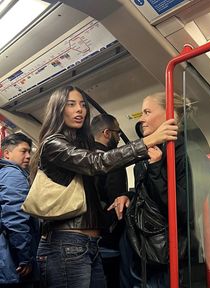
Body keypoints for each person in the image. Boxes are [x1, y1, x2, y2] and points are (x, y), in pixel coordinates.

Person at [29, 85, 178, 288]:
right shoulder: (53, 144)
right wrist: (148, 142)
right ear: (58, 109)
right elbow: (96, 163)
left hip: (87, 245)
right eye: (71, 104)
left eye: (82, 105)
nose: (79, 110)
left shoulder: (81, 145)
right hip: (65, 244)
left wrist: (127, 195)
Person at [110, 92, 196, 287]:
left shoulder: (184, 151)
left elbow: (184, 208)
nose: (141, 119)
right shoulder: (153, 149)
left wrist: (156, 168)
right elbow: (148, 191)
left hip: (161, 249)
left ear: (169, 115)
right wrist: (128, 196)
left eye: (147, 112)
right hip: (140, 241)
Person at [90, 113, 129, 287]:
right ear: (107, 133)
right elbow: (117, 202)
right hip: (107, 239)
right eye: (118, 132)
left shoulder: (81, 157)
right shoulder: (112, 161)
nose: (120, 137)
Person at [0, 133, 40, 288]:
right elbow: (15, 218)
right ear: (7, 154)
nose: (29, 156)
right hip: (13, 261)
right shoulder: (13, 174)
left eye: (30, 152)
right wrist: (25, 257)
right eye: (23, 151)